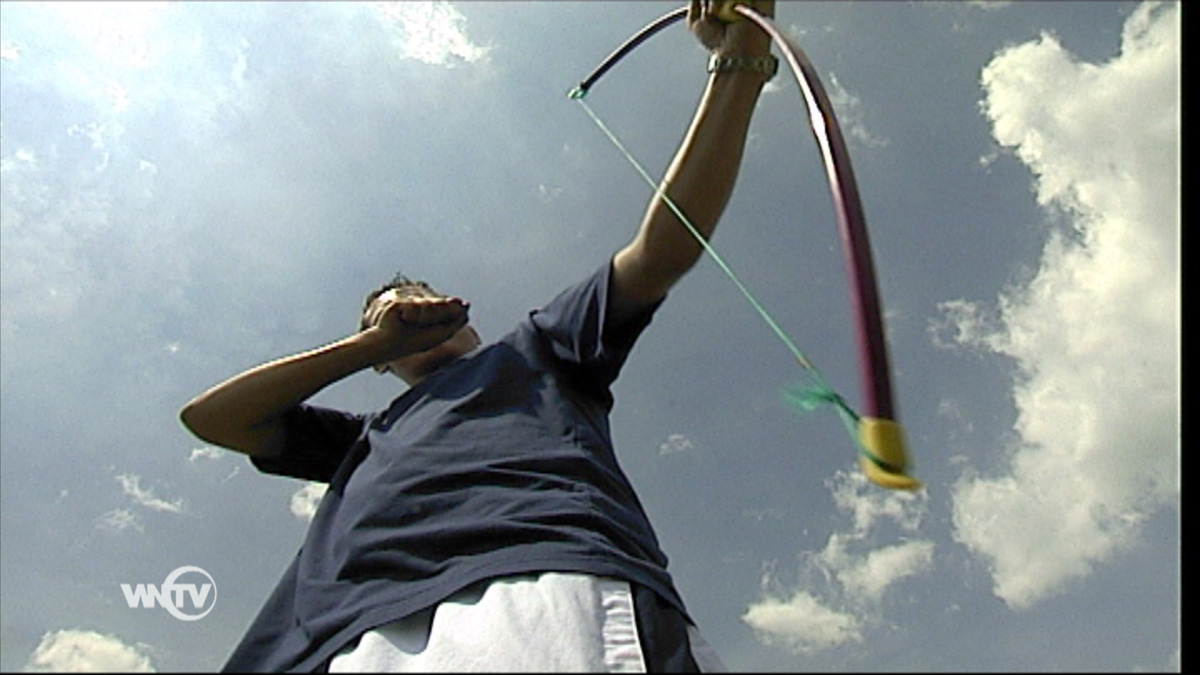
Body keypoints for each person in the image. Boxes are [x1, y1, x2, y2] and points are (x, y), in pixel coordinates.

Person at [180, 1, 776, 671]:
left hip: (535, 593)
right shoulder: (361, 440)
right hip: (336, 641)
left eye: (421, 297)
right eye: (390, 312)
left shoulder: (537, 348)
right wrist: (371, 345)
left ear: (463, 314)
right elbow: (212, 418)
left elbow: (659, 253)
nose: (411, 308)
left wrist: (738, 63)